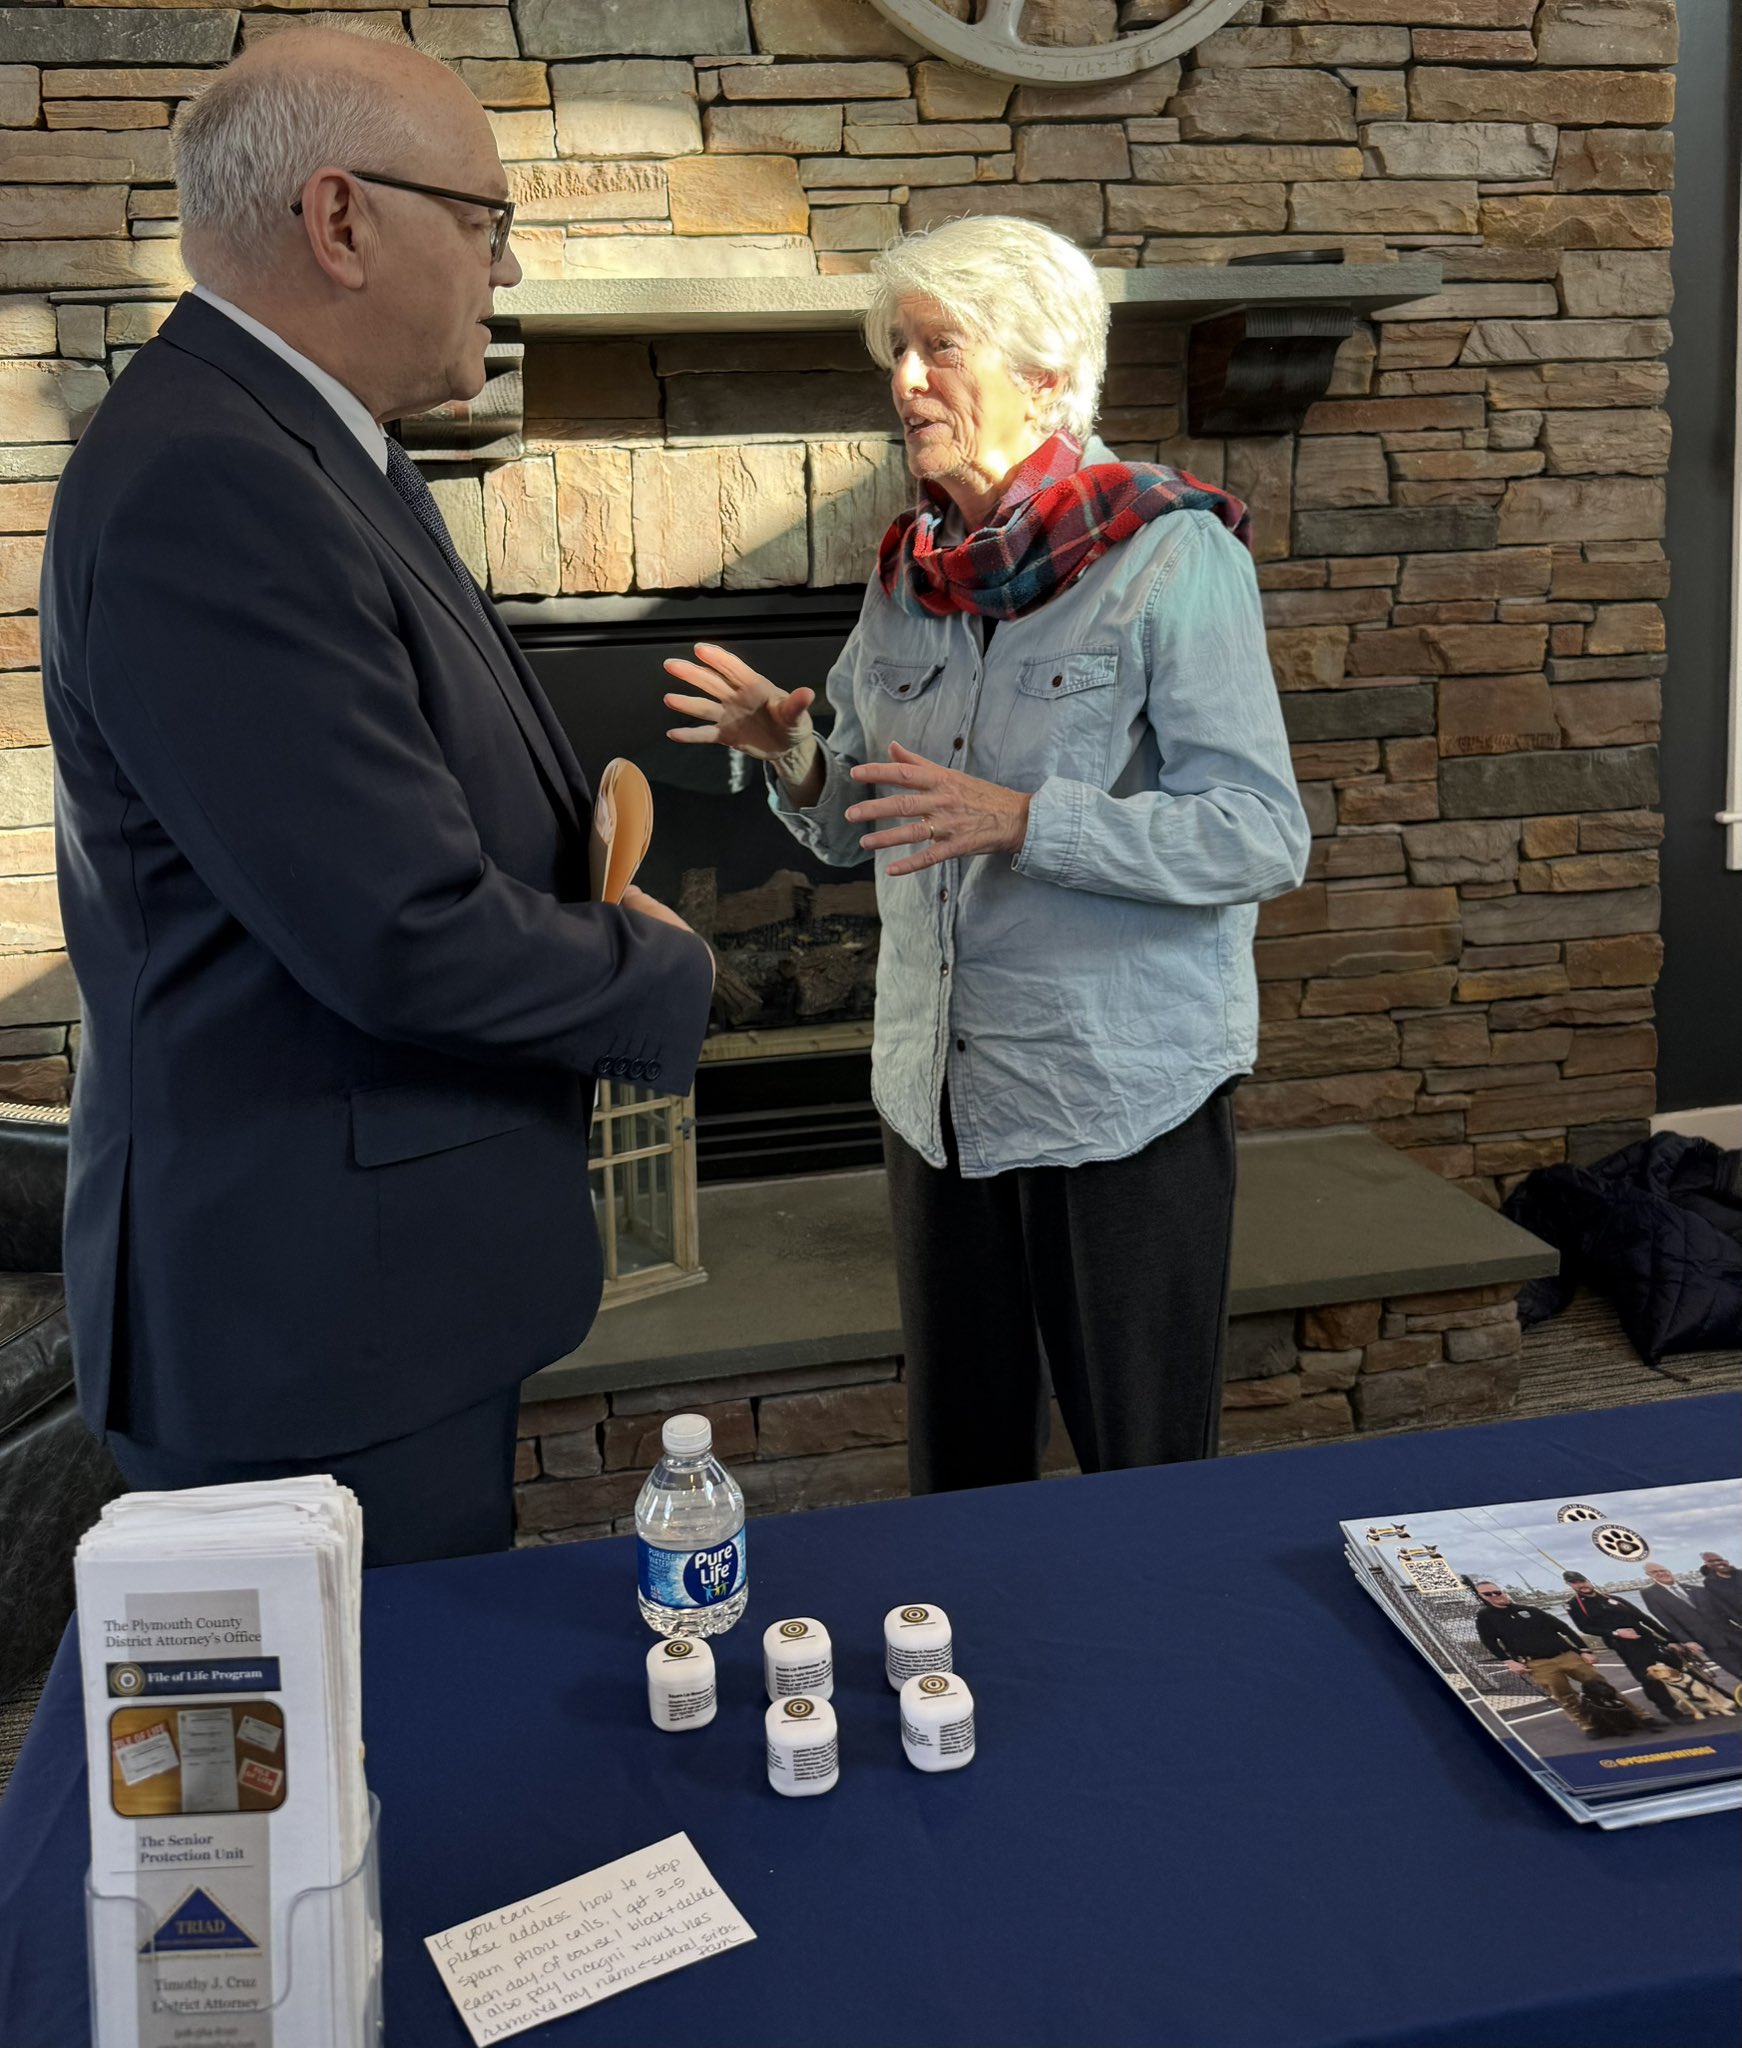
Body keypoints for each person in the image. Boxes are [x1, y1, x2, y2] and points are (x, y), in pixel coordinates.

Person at [40, 31, 714, 1564]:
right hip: (307, 1328)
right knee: (378, 1713)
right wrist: (661, 972)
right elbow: (397, 929)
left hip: (369, 1299)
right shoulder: (212, 482)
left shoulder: (302, 447)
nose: (506, 267)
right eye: (484, 221)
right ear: (341, 221)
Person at [663, 216, 1309, 1494]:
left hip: (1117, 1098)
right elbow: (864, 818)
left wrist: (1024, 819)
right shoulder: (908, 576)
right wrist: (793, 756)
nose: (904, 381)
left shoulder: (1173, 555)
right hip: (936, 1096)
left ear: (1046, 374)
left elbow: (1257, 830)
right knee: (959, 1471)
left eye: (938, 348)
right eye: (896, 353)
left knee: (1144, 1474)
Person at [1470, 1581, 1658, 1734]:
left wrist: (1584, 1650)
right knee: (1565, 1696)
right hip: (1537, 1663)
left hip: (1566, 1655)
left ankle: (1640, 1715)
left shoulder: (1530, 1610)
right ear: (1481, 1597)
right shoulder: (1485, 1617)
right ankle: (1588, 1725)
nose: (1495, 1596)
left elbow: (1564, 1628)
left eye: (1497, 1591)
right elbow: (1489, 1641)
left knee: (1602, 1686)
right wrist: (1509, 1661)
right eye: (1488, 1594)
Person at [1561, 1572, 1691, 1722]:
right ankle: (1670, 1711)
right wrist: (1616, 1633)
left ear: (1588, 1580)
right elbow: (1585, 1628)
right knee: (1648, 1678)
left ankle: (1695, 1699)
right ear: (1570, 1585)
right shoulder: (1575, 1605)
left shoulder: (1611, 1598)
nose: (1581, 1585)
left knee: (1679, 1666)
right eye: (1575, 1583)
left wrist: (1670, 1639)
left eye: (1582, 1581)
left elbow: (1643, 1618)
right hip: (1624, 1645)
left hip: (1646, 1638)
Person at [1641, 1562, 1742, 1688]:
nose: (1661, 1573)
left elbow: (1725, 1609)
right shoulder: (1651, 1594)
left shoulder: (1697, 1589)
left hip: (1732, 1633)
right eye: (1655, 1572)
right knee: (1737, 1669)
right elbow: (1667, 1620)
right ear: (1649, 1575)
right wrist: (1687, 1640)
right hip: (1708, 1641)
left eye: (1663, 1570)